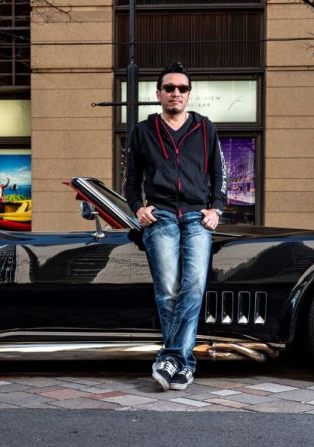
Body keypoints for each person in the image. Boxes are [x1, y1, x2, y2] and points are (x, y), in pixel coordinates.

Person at [123, 62, 227, 391]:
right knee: (168, 290)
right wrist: (138, 207)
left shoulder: (205, 128)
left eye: (182, 88)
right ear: (158, 94)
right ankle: (184, 364)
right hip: (161, 216)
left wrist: (217, 208)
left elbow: (219, 175)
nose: (176, 93)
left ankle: (171, 359)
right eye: (169, 88)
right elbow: (130, 180)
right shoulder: (143, 131)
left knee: (193, 287)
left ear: (189, 94)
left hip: (197, 216)